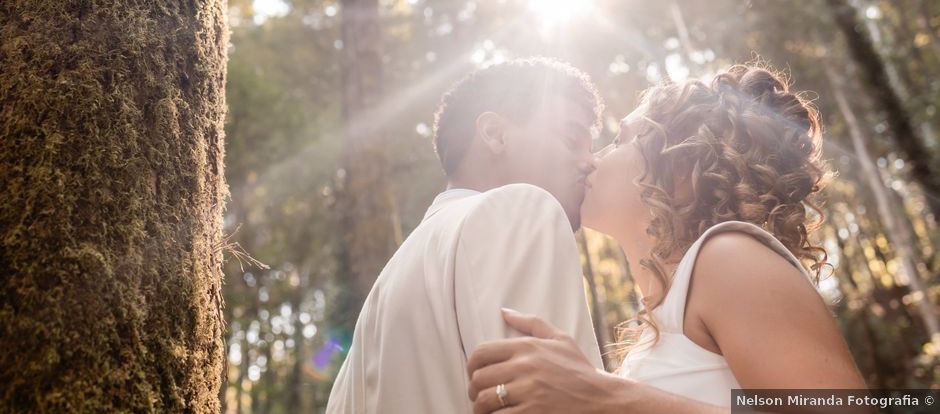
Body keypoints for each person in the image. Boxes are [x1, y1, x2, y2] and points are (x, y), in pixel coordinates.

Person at [466, 62, 868, 413]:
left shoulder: (729, 258)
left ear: (681, 167)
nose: (591, 160)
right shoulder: (661, 325)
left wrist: (608, 398)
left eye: (620, 140)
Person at [326, 58, 606, 413]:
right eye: (571, 138)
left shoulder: (382, 295)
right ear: (494, 133)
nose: (590, 162)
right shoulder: (522, 212)